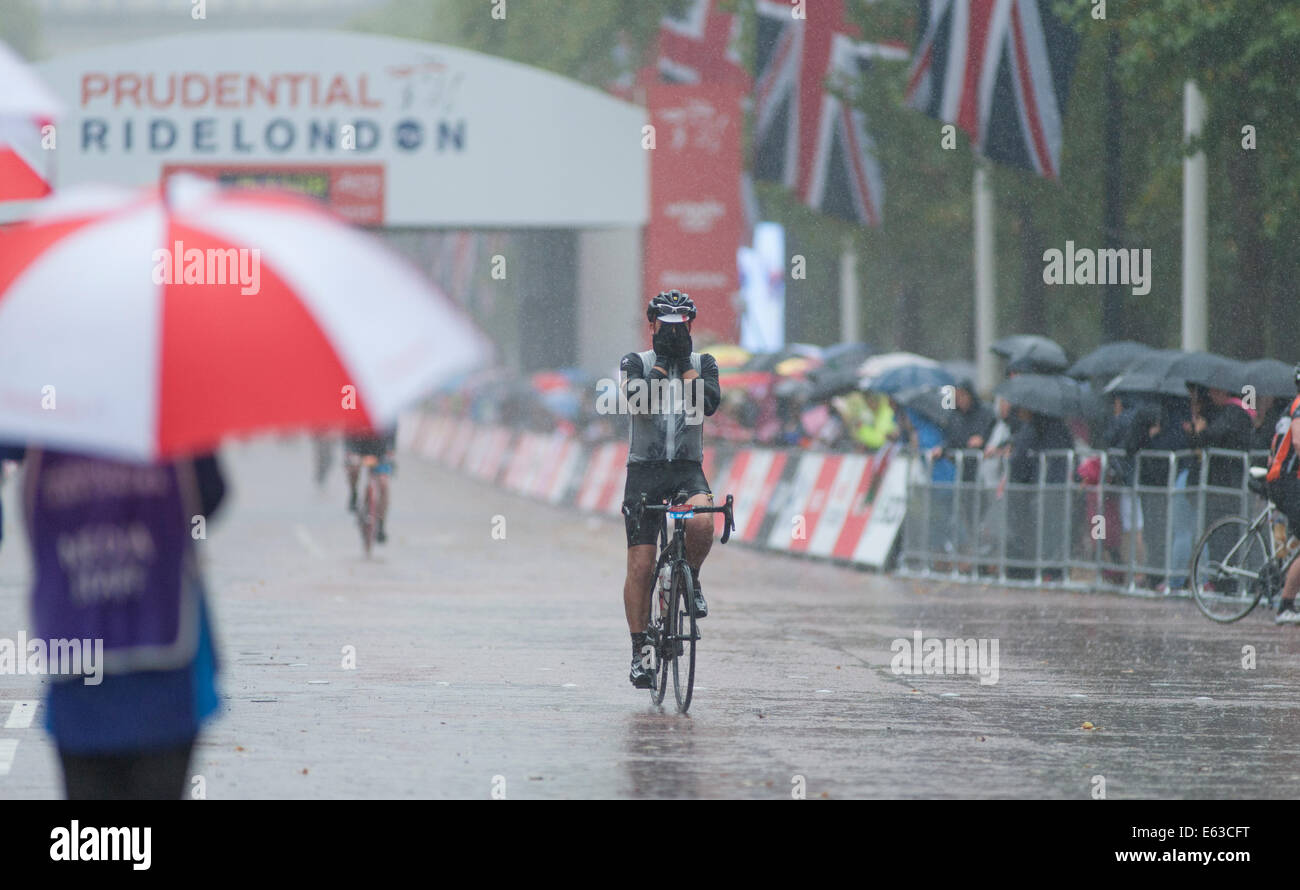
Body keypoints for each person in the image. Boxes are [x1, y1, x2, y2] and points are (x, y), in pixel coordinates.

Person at [9, 445, 226, 799]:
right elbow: (211, 492)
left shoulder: (43, 416)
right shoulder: (170, 408)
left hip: (81, 681)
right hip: (167, 685)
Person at [619, 290, 721, 690]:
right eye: (667, 327)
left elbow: (709, 403)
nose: (675, 333)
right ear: (652, 326)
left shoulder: (704, 363)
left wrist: (685, 365)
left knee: (700, 523)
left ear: (691, 328)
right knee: (641, 567)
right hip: (644, 472)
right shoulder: (635, 362)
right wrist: (662, 363)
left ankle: (690, 576)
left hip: (686, 470)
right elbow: (638, 402)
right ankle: (639, 651)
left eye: (681, 328)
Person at [1266, 365, 1300, 623]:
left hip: (1282, 479)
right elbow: (1298, 442)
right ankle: (1285, 605)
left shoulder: (1289, 406)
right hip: (1286, 481)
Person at [344, 425, 397, 544]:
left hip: (380, 451)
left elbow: (392, 433)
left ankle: (381, 524)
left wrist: (391, 452)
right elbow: (348, 433)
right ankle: (353, 493)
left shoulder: (386, 412)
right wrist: (350, 453)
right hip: (359, 447)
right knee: (354, 468)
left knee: (383, 484)